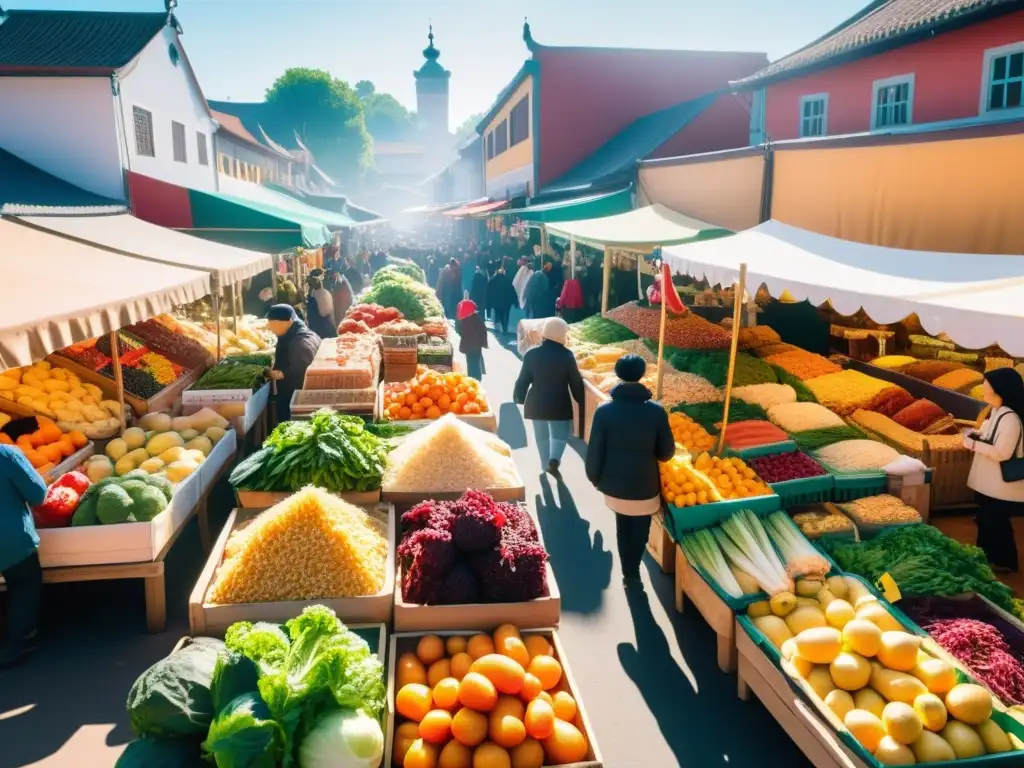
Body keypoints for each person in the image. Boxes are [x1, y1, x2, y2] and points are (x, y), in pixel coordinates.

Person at [585, 355, 675, 587]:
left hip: (613, 483)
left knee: (622, 526)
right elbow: (667, 453)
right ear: (642, 374)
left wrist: (594, 477)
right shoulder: (656, 412)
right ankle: (632, 569)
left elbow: (595, 449)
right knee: (640, 529)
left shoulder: (604, 411)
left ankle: (629, 572)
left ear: (618, 373)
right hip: (645, 484)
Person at [964, 368, 1024, 572]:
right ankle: (986, 557)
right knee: (987, 520)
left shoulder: (1010, 419)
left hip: (999, 485)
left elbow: (1002, 453)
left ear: (1000, 391)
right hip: (989, 483)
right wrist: (976, 434)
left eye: (987, 388)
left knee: (996, 522)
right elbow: (989, 436)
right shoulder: (997, 411)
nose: (983, 391)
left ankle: (1005, 562)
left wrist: (972, 444)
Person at [513, 317, 584, 478]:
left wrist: (520, 397)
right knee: (560, 435)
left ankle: (544, 464)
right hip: (559, 402)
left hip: (536, 402)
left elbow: (523, 379)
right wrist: (581, 399)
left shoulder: (532, 354)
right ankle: (554, 460)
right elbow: (575, 381)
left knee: (541, 436)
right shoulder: (567, 356)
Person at [0, 444, 47, 669]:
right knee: (23, 583)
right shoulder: (7, 455)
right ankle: (18, 643)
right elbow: (37, 494)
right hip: (10, 540)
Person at [266, 304, 321, 423]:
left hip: (295, 395)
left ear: (284, 322)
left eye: (271, 323)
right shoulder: (298, 332)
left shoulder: (300, 342)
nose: (270, 328)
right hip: (294, 394)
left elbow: (302, 368)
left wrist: (279, 374)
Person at [456, 298, 488, 381]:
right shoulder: (476, 317)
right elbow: (483, 330)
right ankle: (477, 377)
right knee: (476, 361)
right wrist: (483, 342)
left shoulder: (463, 320)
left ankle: (472, 378)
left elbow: (459, 330)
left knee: (470, 362)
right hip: (476, 345)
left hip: (468, 346)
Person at [486, 264, 518, 335]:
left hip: (496, 302)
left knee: (498, 314)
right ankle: (504, 328)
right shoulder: (508, 280)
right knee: (506, 315)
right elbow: (512, 291)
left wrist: (487, 304)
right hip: (506, 302)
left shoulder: (492, 280)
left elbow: (488, 292)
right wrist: (515, 302)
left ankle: (497, 327)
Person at [306, 274, 337, 339]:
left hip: (318, 329)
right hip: (328, 327)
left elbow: (311, 316)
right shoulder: (326, 293)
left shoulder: (313, 296)